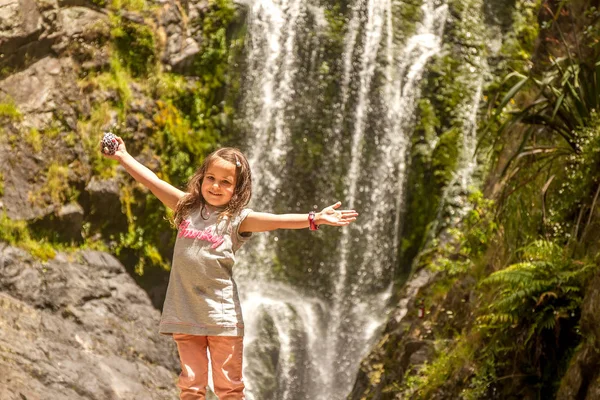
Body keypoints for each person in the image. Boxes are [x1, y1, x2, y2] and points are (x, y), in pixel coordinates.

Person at [100, 136, 358, 400]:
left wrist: (314, 218)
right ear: (201, 179)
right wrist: (123, 156)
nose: (216, 186)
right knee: (190, 386)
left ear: (237, 190)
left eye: (226, 182)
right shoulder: (186, 207)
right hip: (184, 313)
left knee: (229, 388)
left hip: (222, 318)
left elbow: (277, 221)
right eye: (211, 178)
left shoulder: (238, 219)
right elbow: (153, 181)